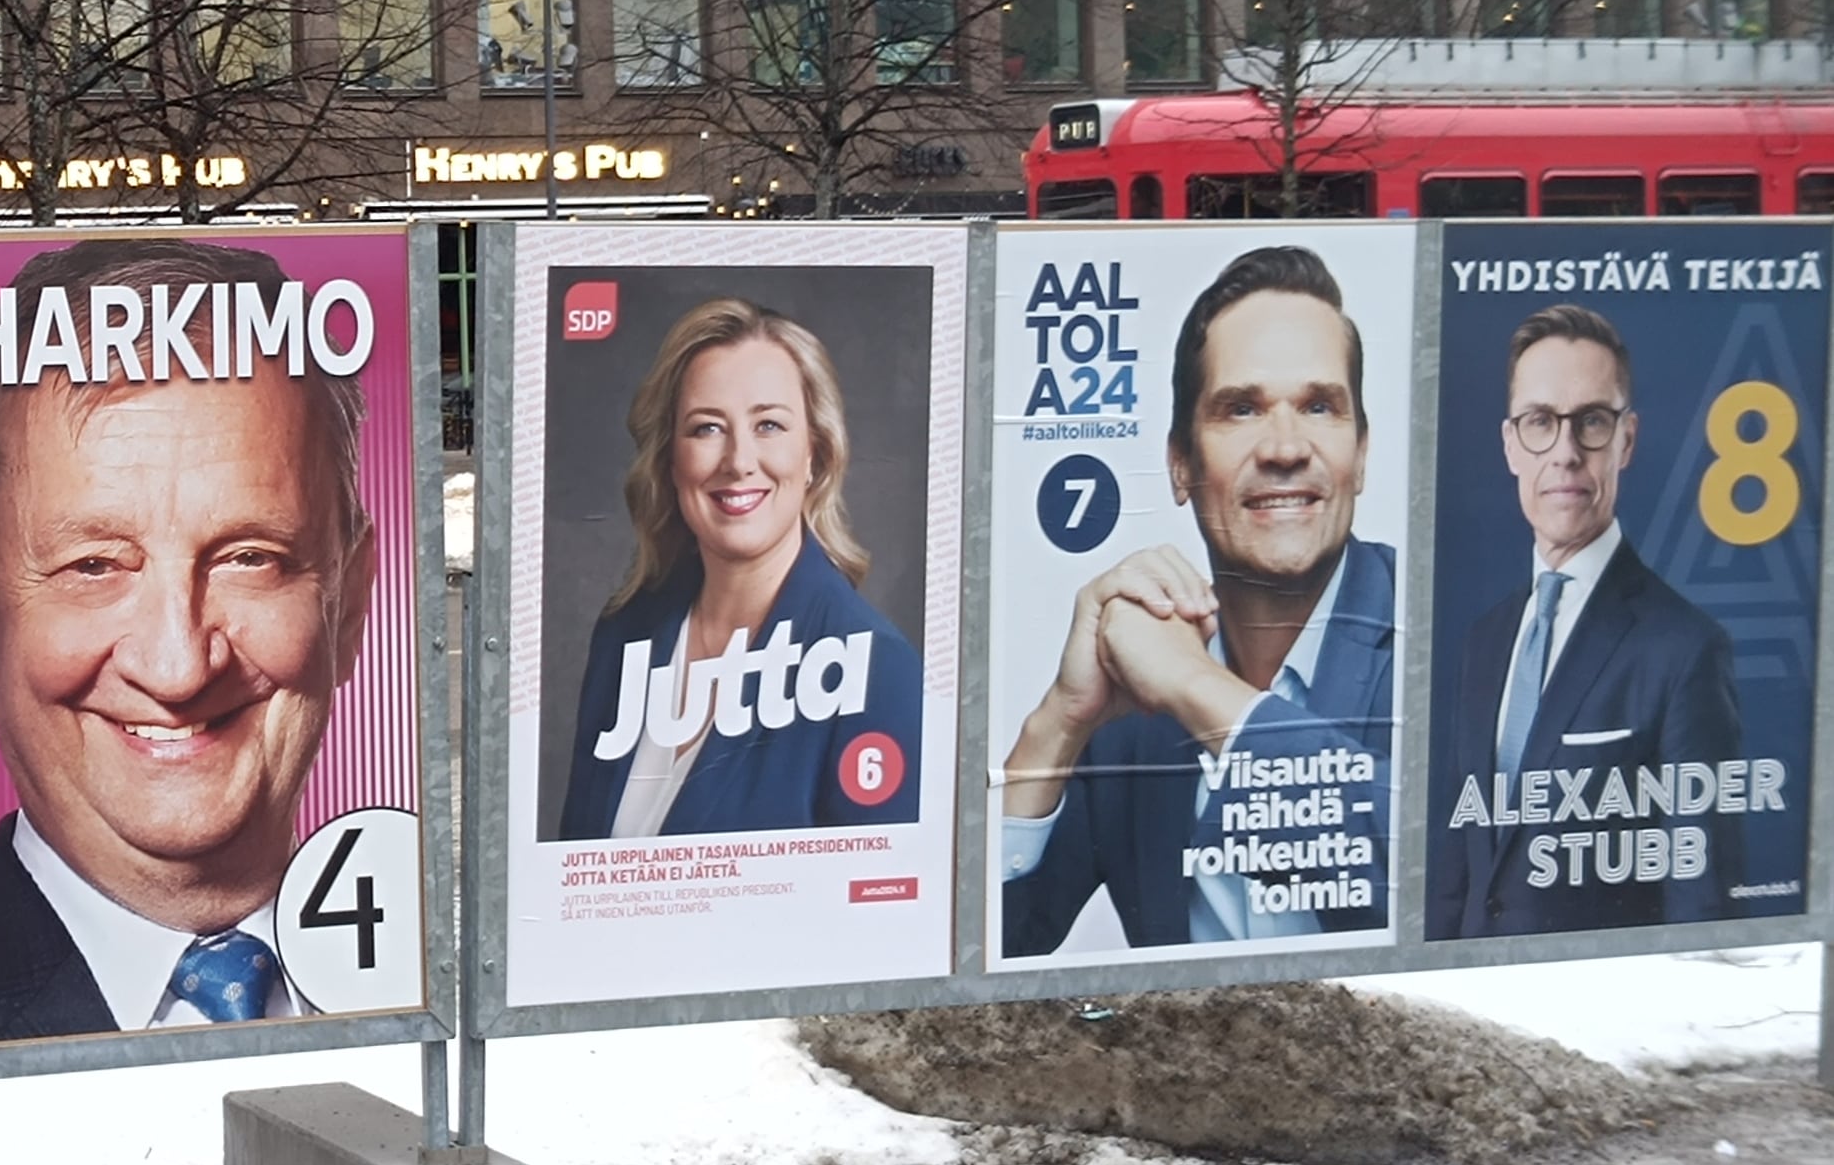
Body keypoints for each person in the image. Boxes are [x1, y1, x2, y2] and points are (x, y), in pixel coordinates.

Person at [0, 234, 381, 1042]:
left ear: (348, 604)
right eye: (95, 565)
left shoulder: (450, 970)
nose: (177, 667)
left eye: (250, 557)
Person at [998, 244, 1398, 957]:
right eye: (1241, 408)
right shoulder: (1131, 702)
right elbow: (987, 943)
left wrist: (1197, 688)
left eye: (1318, 405)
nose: (1284, 446)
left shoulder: (1448, 632)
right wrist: (1057, 721)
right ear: (1181, 464)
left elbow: (1432, 873)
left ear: (1360, 454)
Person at [1432, 302, 1743, 938]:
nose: (1566, 453)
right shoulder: (1484, 641)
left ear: (1626, 440)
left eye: (1592, 422)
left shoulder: (1685, 649)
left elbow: (1700, 898)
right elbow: (1459, 862)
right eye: (1541, 422)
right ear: (1510, 444)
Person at [557, 300, 923, 839]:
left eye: (769, 425)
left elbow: (882, 904)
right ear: (669, 458)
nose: (738, 461)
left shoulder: (874, 668)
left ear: (814, 455)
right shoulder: (626, 635)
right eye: (707, 429)